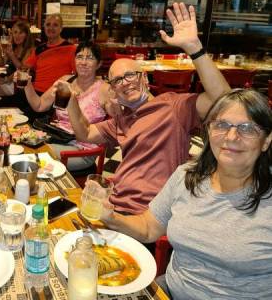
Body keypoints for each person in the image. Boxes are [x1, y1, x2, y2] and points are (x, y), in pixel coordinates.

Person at [100, 89, 272, 299]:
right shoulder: (187, 176)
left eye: (247, 128)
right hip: (170, 290)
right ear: (208, 131)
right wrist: (111, 217)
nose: (232, 136)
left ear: (266, 140)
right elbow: (148, 228)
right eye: (222, 125)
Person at [67, 3, 231, 215]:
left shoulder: (174, 107)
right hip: (114, 204)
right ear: (113, 89)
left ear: (144, 77)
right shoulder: (121, 119)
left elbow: (224, 101)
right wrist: (71, 100)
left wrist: (194, 48)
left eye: (130, 76)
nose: (125, 83)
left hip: (147, 216)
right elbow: (85, 133)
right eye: (117, 81)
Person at [24, 42, 108, 171]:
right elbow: (39, 105)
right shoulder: (66, 81)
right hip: (57, 139)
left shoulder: (104, 89)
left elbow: (118, 125)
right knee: (22, 144)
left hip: (83, 149)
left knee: (33, 155)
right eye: (79, 57)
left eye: (90, 58)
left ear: (99, 64)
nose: (83, 62)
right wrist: (27, 84)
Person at [23, 14, 76, 94]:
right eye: (48, 25)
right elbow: (24, 67)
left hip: (55, 95)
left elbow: (77, 75)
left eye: (55, 25)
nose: (51, 28)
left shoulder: (71, 48)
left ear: (61, 28)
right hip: (35, 92)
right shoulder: (39, 49)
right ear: (44, 28)